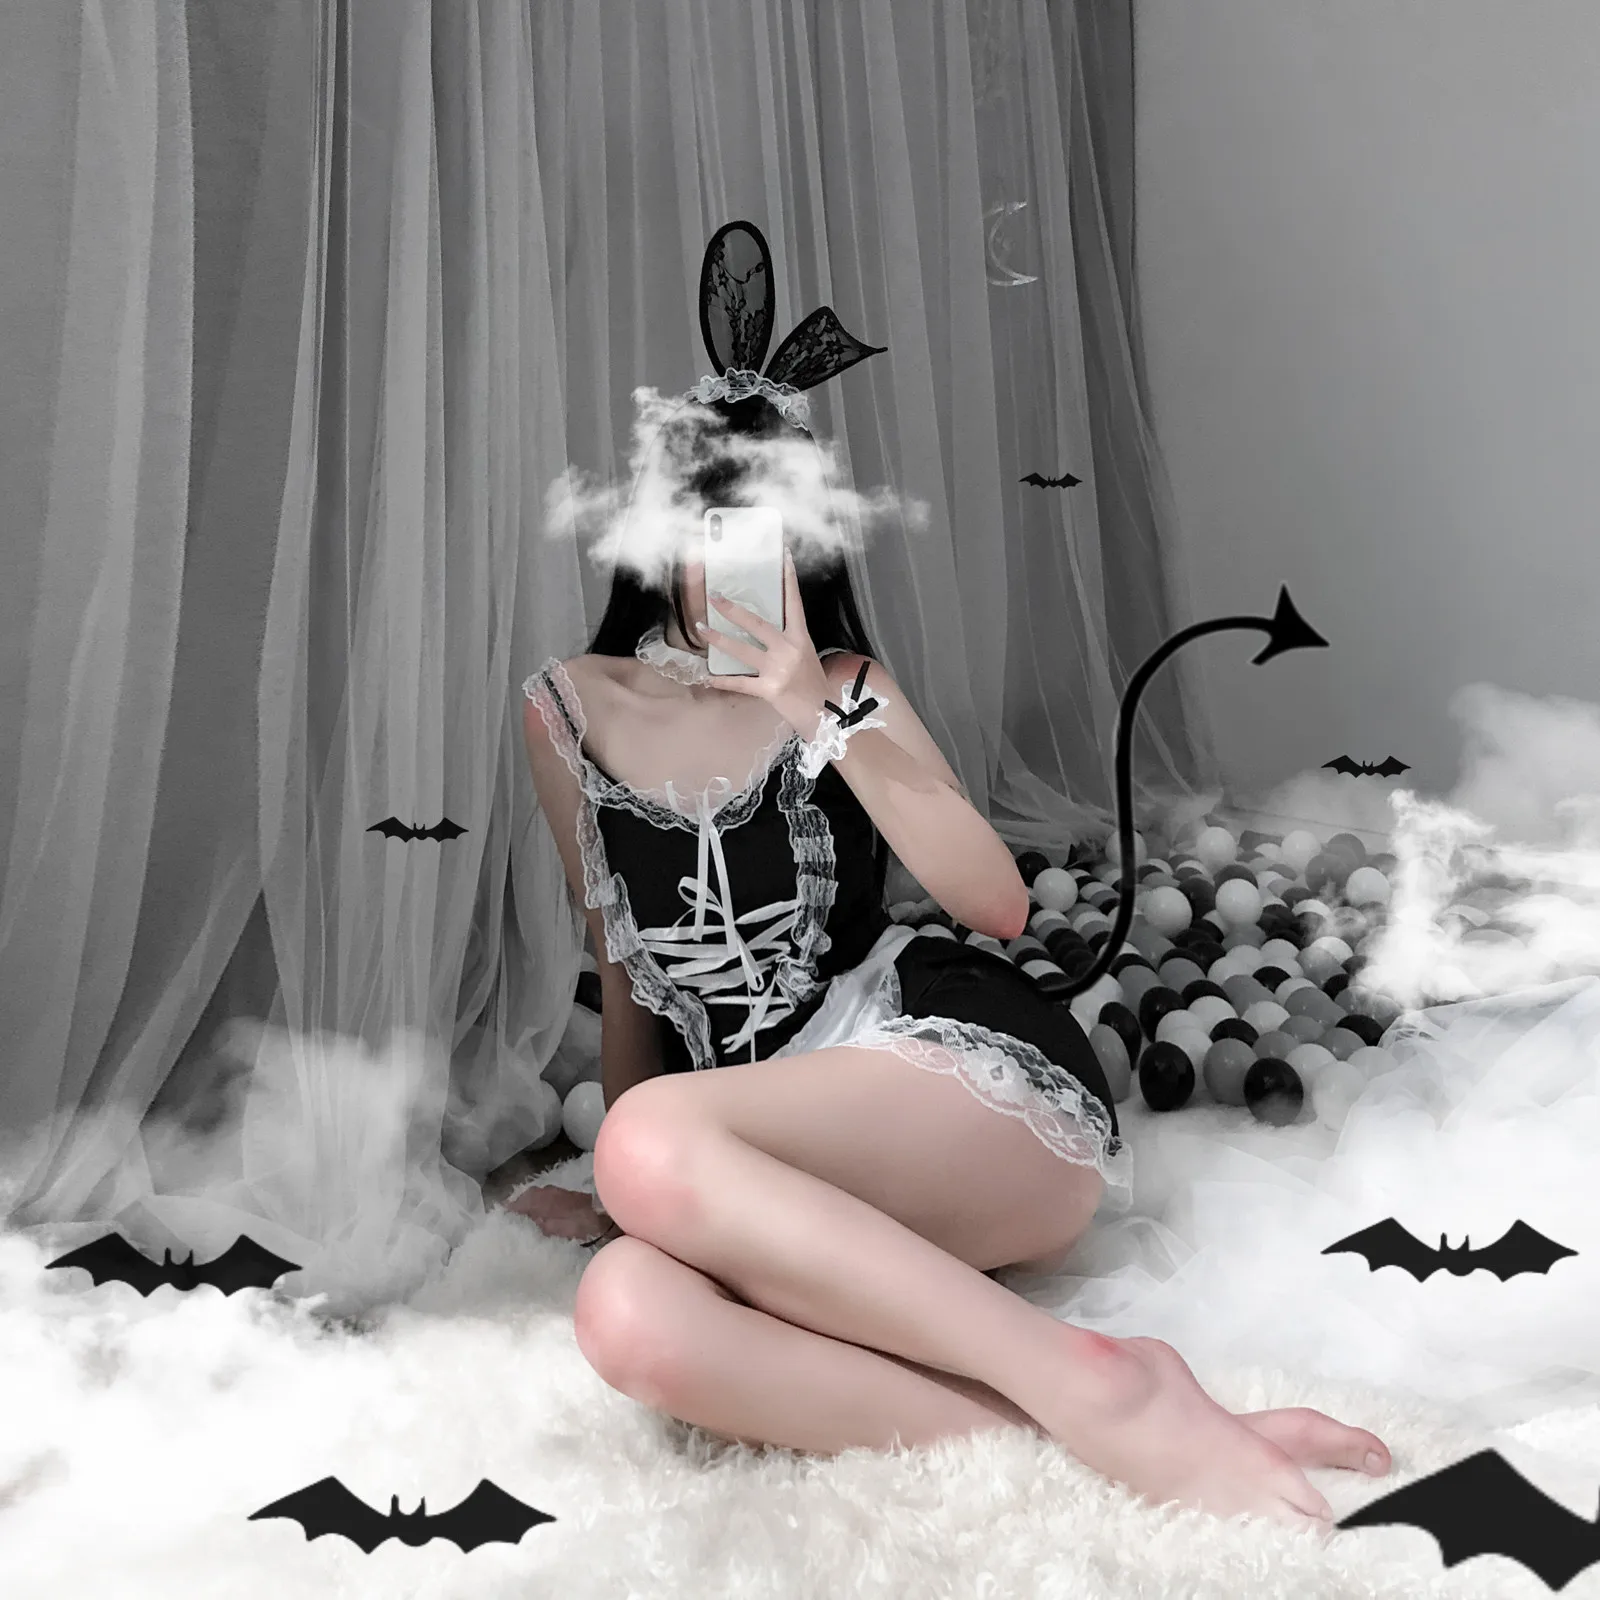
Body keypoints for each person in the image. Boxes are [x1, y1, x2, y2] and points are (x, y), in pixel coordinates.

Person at [512, 221, 1390, 1531]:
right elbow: (622, 959)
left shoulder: (845, 689)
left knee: (644, 1144)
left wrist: (810, 705)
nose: (726, 552)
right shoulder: (568, 710)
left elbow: (998, 906)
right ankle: (1079, 1420)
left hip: (952, 1086)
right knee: (628, 1313)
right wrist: (631, 1197)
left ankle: (1094, 1386)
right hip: (763, 1158)